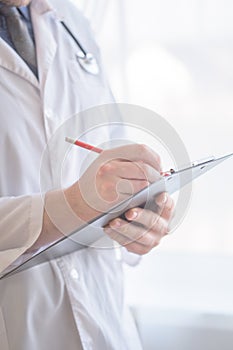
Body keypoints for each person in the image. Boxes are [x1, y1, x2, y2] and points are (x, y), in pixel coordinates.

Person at [0, 0, 175, 349]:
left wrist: (135, 218)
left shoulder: (69, 20)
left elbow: (107, 143)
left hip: (107, 322)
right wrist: (73, 205)